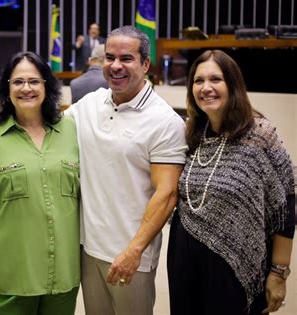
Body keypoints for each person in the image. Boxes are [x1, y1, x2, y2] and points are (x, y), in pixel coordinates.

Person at [66, 25, 187, 314]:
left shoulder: (164, 121)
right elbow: (48, 125)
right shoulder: (91, 104)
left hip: (131, 256)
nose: (116, 66)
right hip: (89, 250)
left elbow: (167, 194)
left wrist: (134, 252)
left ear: (145, 64)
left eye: (126, 58)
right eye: (110, 57)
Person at [167, 50, 294, 315]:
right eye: (198, 81)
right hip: (185, 263)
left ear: (233, 84)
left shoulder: (259, 135)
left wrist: (279, 273)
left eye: (216, 79)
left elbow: (286, 203)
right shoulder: (191, 134)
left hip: (235, 265)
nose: (206, 88)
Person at [0, 51, 80, 315]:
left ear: (47, 86)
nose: (26, 88)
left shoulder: (72, 131)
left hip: (63, 278)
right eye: (18, 81)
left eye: (34, 81)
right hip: (11, 277)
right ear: (7, 88)